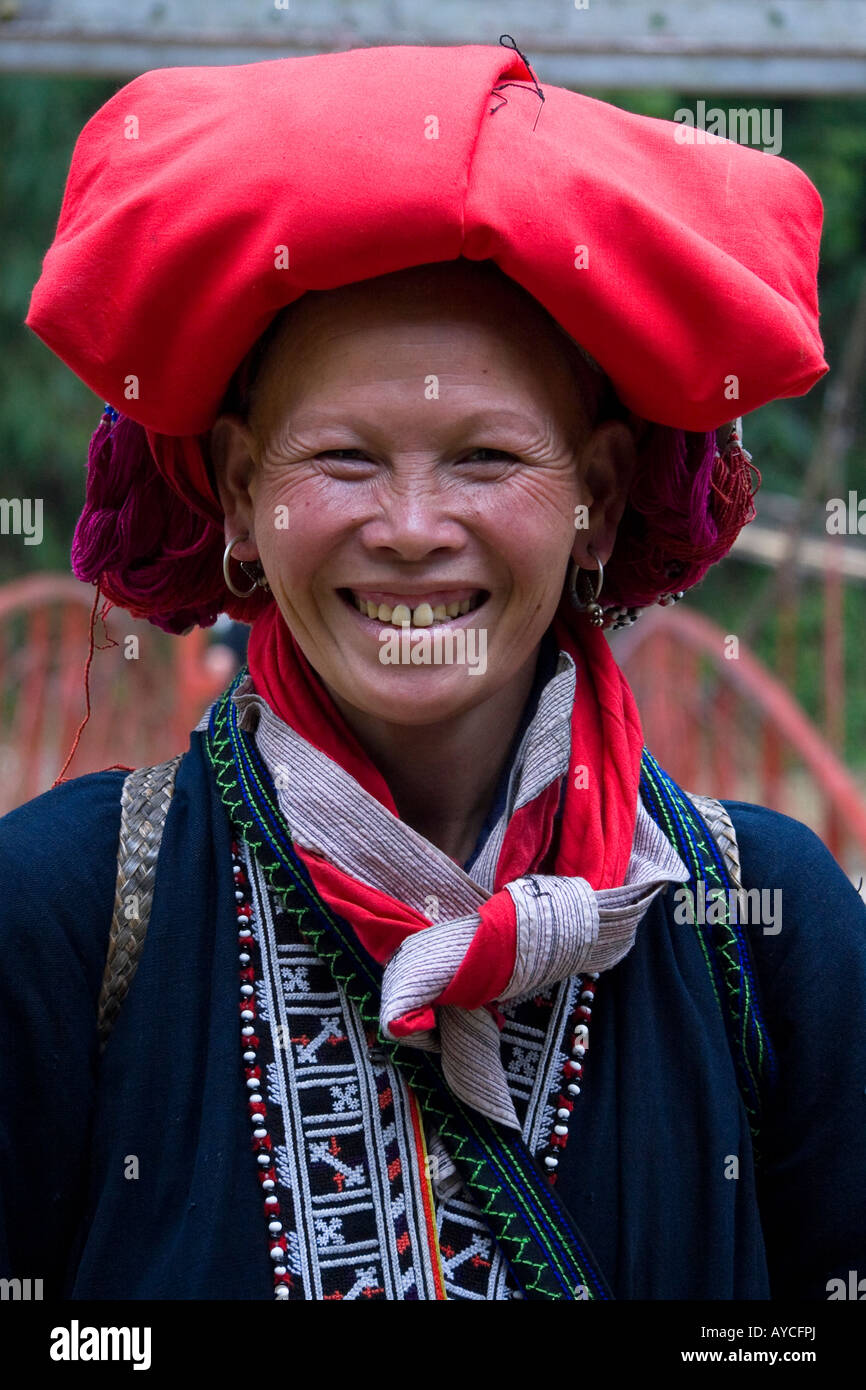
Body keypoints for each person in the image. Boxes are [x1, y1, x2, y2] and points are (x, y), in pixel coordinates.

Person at [2, 40, 864, 1302]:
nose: (410, 526)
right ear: (241, 496)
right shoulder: (62, 914)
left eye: (482, 458)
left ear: (602, 502)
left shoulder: (769, 929)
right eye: (343, 458)